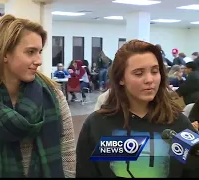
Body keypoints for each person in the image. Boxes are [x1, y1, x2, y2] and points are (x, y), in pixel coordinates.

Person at [0, 14, 76, 178]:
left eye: (39, 52)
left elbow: (67, 157)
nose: (39, 60)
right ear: (5, 53)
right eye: (30, 52)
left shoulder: (54, 97)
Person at [76, 40, 198, 178]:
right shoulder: (97, 125)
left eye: (154, 71)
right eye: (139, 73)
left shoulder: (179, 124)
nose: (149, 79)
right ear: (121, 78)